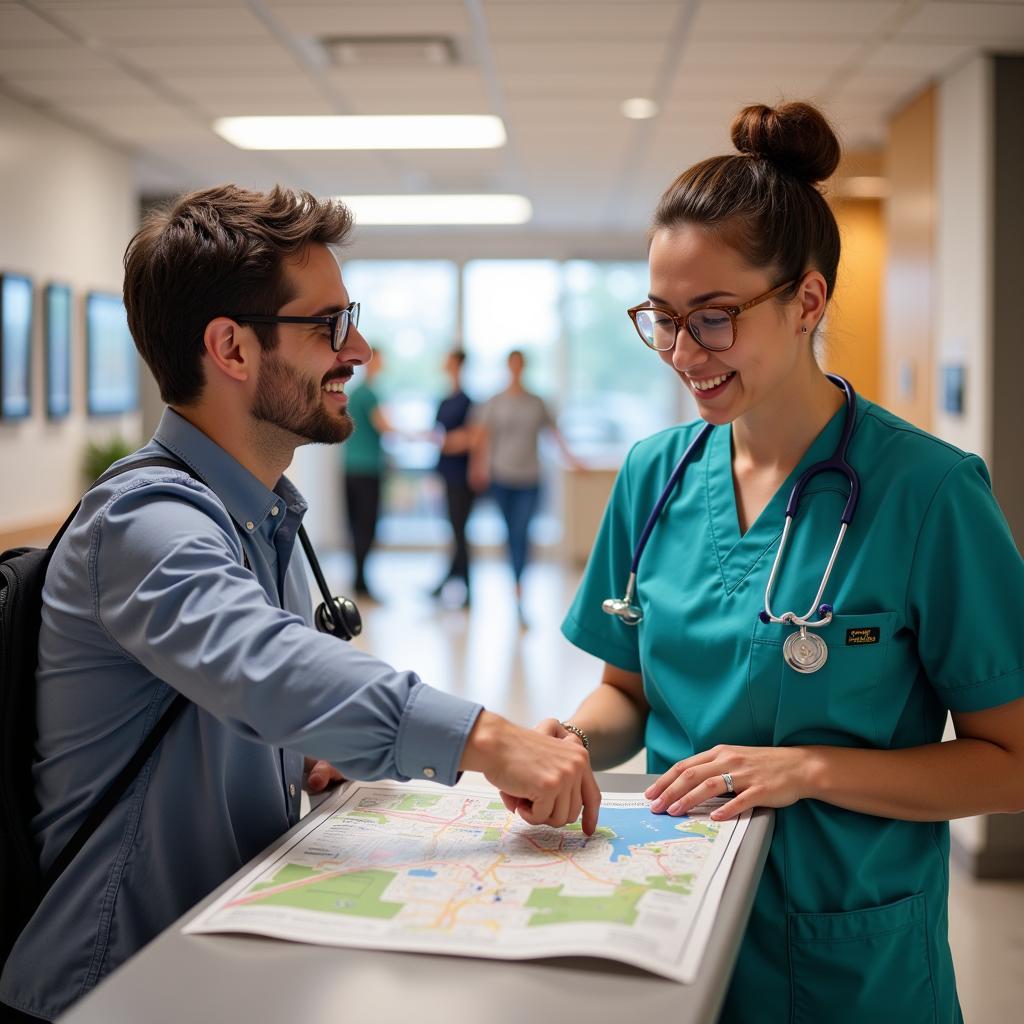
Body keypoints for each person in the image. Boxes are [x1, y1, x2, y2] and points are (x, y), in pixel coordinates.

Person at [0, 185, 599, 1023]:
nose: (356, 348)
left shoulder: (259, 517)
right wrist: (487, 739)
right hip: (112, 990)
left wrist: (295, 761)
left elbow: (230, 705)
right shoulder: (145, 522)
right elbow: (266, 667)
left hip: (218, 960)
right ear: (232, 349)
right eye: (328, 324)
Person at [529, 103, 1024, 1022]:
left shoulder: (928, 493)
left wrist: (808, 770)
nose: (683, 353)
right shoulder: (652, 475)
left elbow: (1012, 760)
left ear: (808, 299)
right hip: (667, 928)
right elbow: (628, 694)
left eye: (714, 319)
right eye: (662, 319)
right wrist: (564, 748)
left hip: (848, 958)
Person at [470, 349, 581, 620]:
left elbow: (554, 433)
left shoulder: (537, 402)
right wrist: (478, 467)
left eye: (520, 365)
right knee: (510, 534)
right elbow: (482, 437)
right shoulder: (494, 401)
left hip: (530, 477)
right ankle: (514, 585)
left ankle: (520, 592)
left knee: (522, 534)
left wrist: (572, 458)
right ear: (508, 367)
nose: (516, 370)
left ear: (524, 368)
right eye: (513, 365)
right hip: (501, 477)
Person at [341, 347, 392, 600]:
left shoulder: (356, 393)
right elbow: (384, 427)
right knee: (366, 526)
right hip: (367, 470)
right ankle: (361, 582)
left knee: (355, 525)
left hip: (351, 469)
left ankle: (358, 578)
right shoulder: (369, 394)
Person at [431, 348, 475, 605]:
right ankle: (450, 580)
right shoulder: (445, 400)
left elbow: (471, 437)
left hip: (462, 475)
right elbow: (441, 437)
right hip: (446, 472)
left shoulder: (467, 401)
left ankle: (465, 587)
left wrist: (449, 442)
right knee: (455, 529)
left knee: (460, 530)